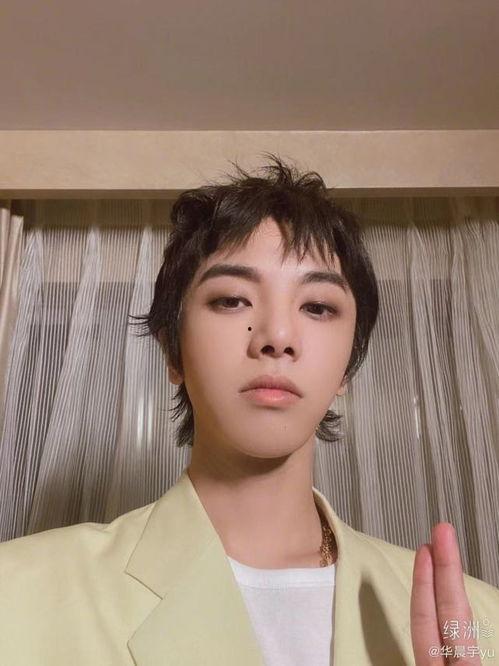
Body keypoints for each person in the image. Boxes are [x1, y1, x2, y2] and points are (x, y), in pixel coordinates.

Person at [0, 155, 497, 665]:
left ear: (348, 366)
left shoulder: (478, 623)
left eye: (318, 307)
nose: (277, 336)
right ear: (173, 351)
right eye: (232, 300)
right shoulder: (18, 594)